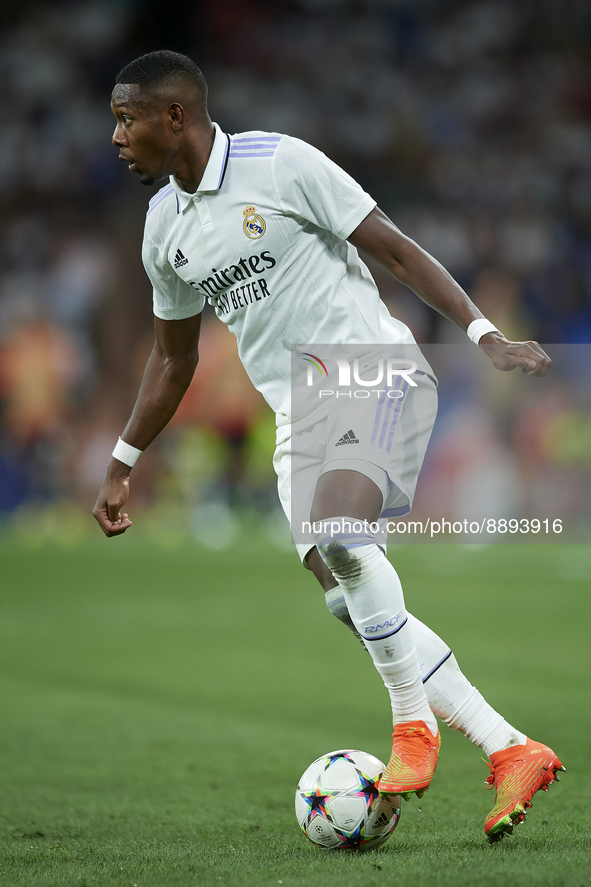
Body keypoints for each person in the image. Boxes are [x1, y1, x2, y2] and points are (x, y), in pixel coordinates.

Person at [93, 50, 564, 842]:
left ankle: (412, 728)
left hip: (372, 370)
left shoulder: (280, 164)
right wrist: (123, 460)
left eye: (125, 118)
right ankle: (509, 745)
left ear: (173, 117)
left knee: (344, 539)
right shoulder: (163, 230)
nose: (116, 136)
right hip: (299, 419)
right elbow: (175, 358)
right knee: (351, 597)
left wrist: (484, 335)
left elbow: (395, 248)